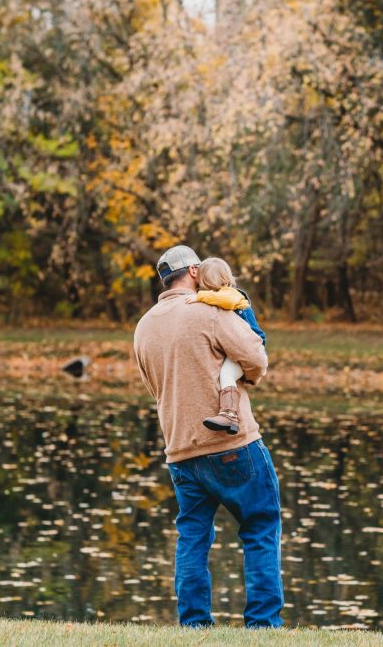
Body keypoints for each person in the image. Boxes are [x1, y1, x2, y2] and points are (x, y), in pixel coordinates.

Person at [133, 245, 284, 628]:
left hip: (180, 449)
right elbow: (257, 357)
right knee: (261, 527)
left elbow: (155, 387)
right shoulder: (208, 311)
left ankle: (194, 625)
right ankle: (263, 626)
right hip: (233, 446)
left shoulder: (144, 326)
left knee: (193, 537)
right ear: (196, 272)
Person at [191, 257, 267, 435]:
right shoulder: (221, 295)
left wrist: (199, 297)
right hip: (239, 346)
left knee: (226, 374)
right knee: (225, 374)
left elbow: (226, 302)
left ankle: (230, 416)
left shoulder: (231, 294)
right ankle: (230, 418)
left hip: (252, 344)